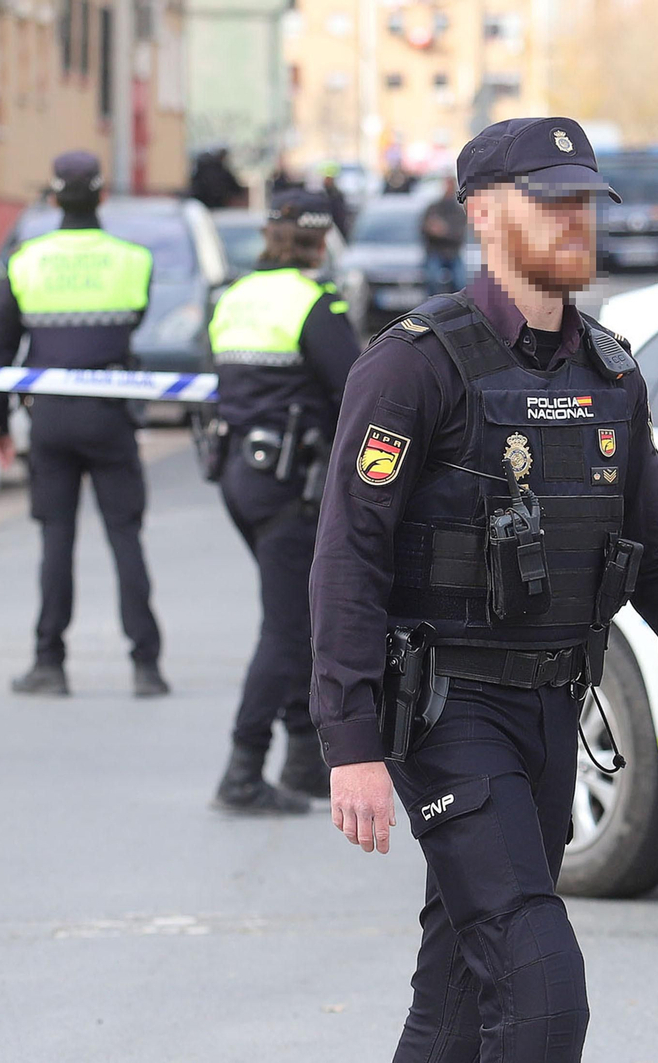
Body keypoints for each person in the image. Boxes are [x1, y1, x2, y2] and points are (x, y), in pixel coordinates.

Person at [309, 116, 658, 1061]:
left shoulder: (609, 373)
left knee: (461, 996)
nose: (574, 221)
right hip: (448, 711)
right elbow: (349, 554)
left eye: (584, 203)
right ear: (480, 213)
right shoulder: (413, 364)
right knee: (541, 985)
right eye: (548, 201)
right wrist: (349, 738)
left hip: (557, 706)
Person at [0, 152, 170, 697]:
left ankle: (48, 663)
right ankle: (146, 667)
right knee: (126, 537)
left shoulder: (25, 261)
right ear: (102, 196)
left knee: (55, 541)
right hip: (111, 412)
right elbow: (132, 319)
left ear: (55, 198)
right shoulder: (132, 259)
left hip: (51, 417)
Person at [207, 190, 361, 814]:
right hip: (292, 484)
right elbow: (356, 389)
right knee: (287, 626)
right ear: (322, 242)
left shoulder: (234, 297)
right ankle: (242, 769)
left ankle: (302, 759)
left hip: (239, 478)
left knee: (293, 614)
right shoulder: (316, 304)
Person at [420, 176, 469, 294]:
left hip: (452, 253)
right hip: (435, 252)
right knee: (432, 279)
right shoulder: (433, 208)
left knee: (461, 282)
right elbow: (424, 229)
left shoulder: (458, 211)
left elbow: (459, 235)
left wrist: (443, 232)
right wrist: (434, 231)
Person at [320, 164, 352, 238]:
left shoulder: (336, 195)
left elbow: (340, 216)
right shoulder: (323, 193)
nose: (326, 180)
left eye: (328, 178)